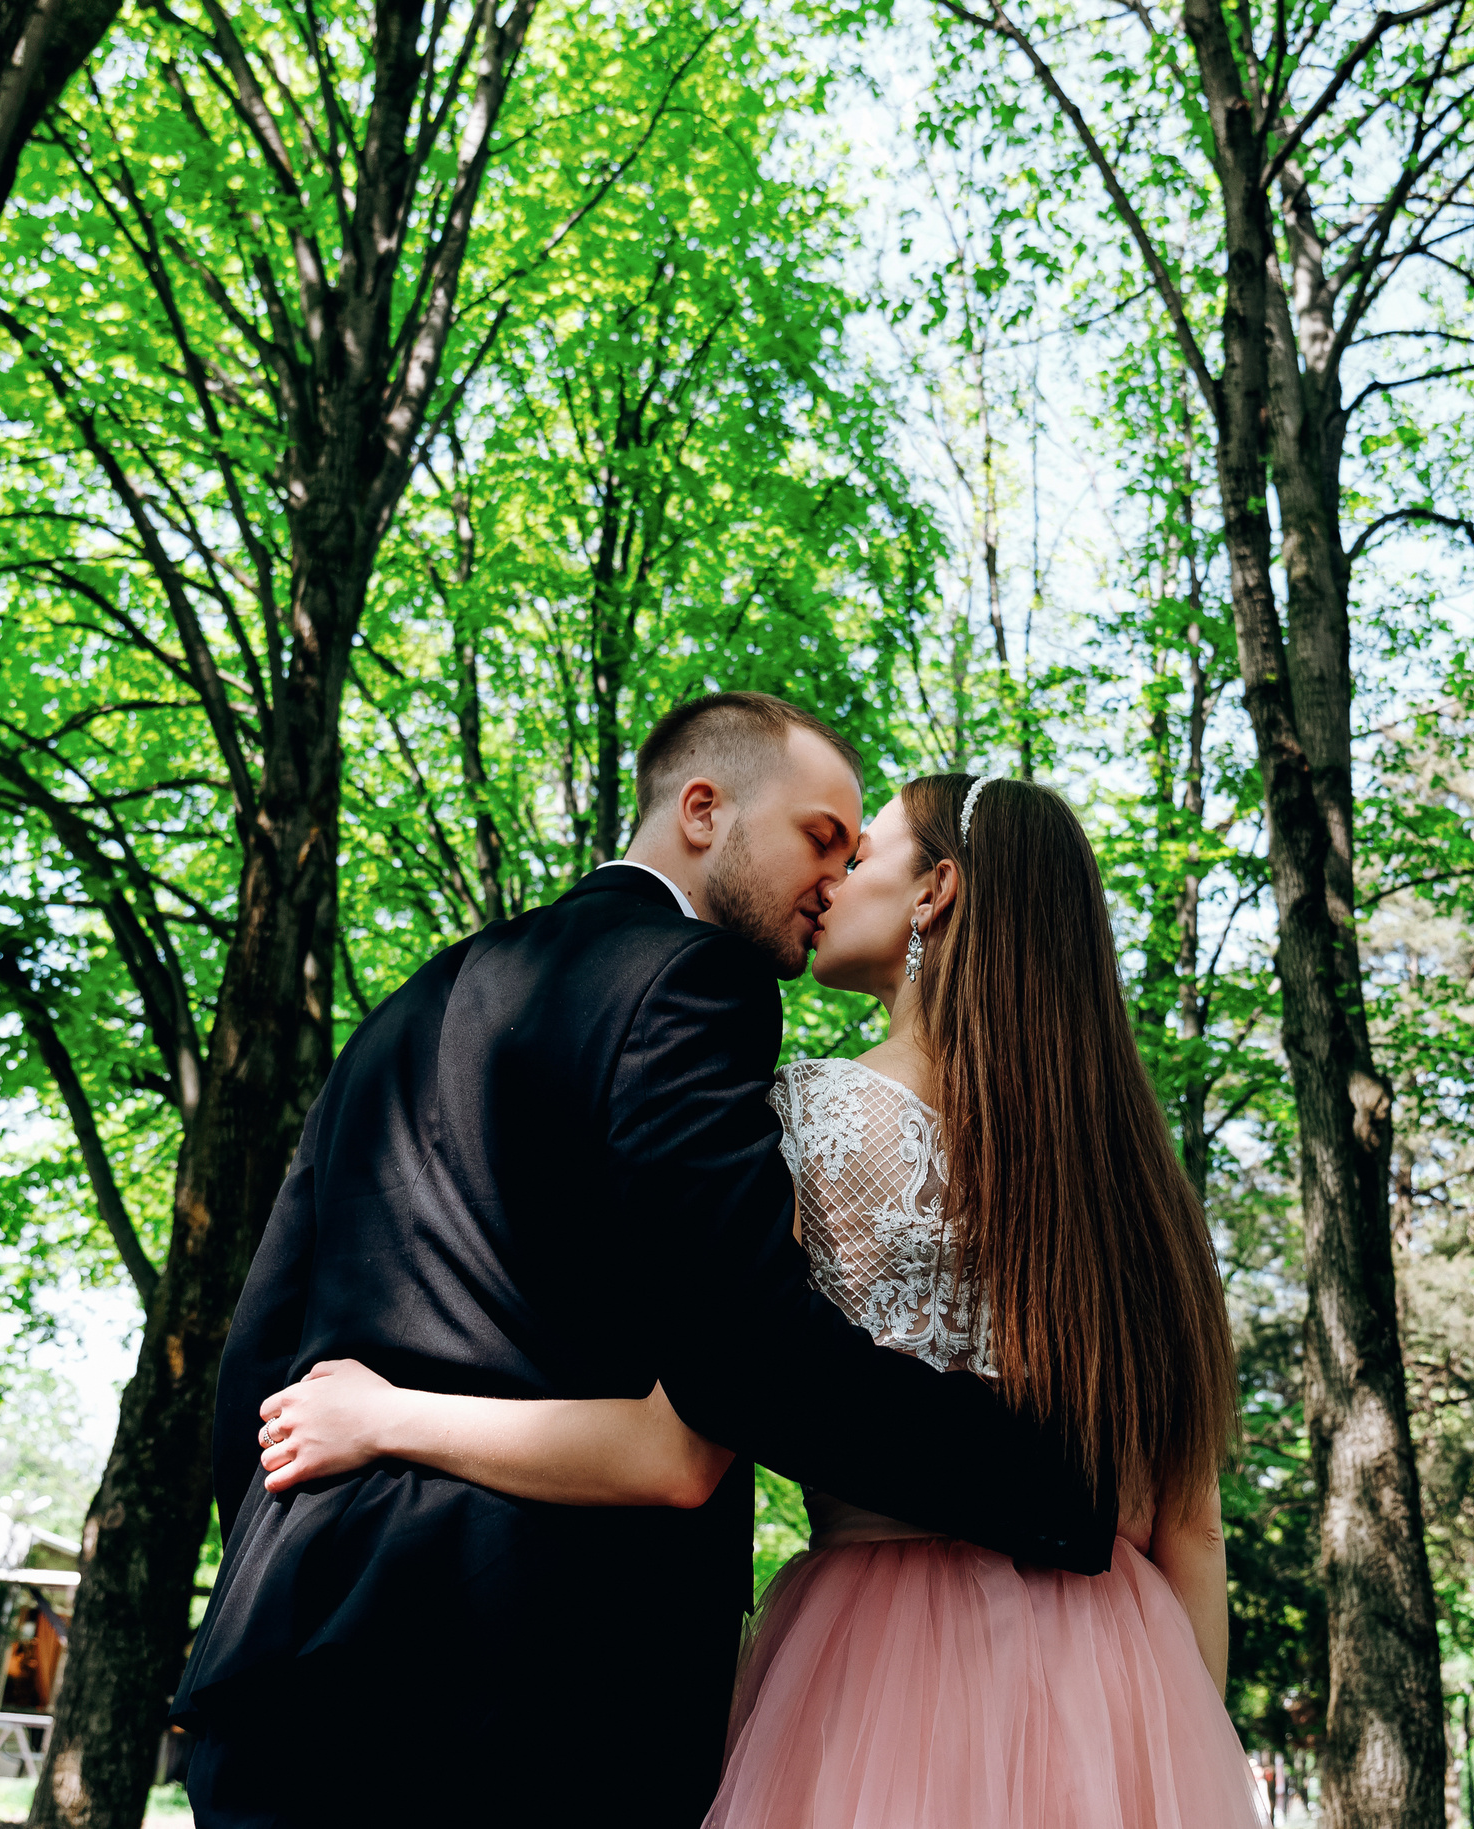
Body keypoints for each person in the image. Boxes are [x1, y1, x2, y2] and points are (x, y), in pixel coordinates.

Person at [173, 697, 1118, 1829]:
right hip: (533, 1693)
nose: (833, 876)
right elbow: (750, 1360)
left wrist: (280, 1560)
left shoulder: (411, 1006)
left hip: (286, 1672)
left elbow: (259, 1366)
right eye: (821, 836)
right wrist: (1051, 1484)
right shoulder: (691, 983)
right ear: (704, 809)